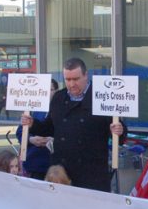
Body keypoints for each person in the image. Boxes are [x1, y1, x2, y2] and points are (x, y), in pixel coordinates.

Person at [20, 58, 127, 192]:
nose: (72, 84)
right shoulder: (59, 97)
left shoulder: (102, 96)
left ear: (86, 75)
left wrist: (119, 131)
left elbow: (119, 131)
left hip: (91, 175)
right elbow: (50, 128)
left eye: (76, 79)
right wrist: (32, 124)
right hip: (62, 174)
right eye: (68, 79)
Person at [16, 78, 59, 180]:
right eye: (45, 90)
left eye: (51, 89)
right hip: (33, 162)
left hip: (53, 165)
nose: (48, 93)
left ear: (56, 91)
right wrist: (31, 139)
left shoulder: (60, 110)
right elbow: (19, 132)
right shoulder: (34, 109)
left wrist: (52, 140)